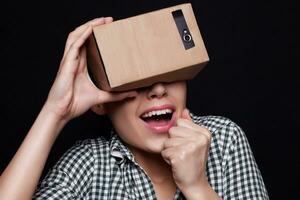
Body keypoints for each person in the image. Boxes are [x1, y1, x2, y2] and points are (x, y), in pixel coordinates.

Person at [0, 17, 269, 200]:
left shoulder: (224, 139)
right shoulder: (89, 163)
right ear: (102, 102)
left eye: (171, 72)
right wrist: (55, 111)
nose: (157, 89)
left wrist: (196, 186)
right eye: (136, 82)